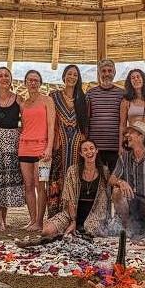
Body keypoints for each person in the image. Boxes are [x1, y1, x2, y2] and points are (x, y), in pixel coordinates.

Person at [42, 139, 114, 237]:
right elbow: (70, 199)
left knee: (89, 230)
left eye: (91, 148)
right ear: (80, 153)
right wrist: (73, 221)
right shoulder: (72, 171)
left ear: (97, 150)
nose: (89, 152)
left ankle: (77, 232)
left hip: (96, 215)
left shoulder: (104, 172)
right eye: (85, 150)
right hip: (72, 214)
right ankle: (71, 230)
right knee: (47, 231)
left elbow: (107, 201)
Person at [0, 66, 25, 231]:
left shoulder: (19, 99)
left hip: (13, 140)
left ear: (11, 79)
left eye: (6, 75)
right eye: (0, 75)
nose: (3, 78)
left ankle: (5, 219)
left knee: (8, 179)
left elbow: (26, 120)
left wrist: (20, 132)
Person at [48, 64, 88, 216]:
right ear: (64, 76)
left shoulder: (83, 99)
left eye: (75, 75)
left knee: (75, 177)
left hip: (77, 147)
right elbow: (50, 121)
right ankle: (56, 214)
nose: (72, 77)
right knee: (56, 178)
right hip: (59, 146)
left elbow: (85, 125)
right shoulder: (53, 96)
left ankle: (73, 215)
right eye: (69, 74)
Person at [18, 70, 55, 232]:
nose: (33, 83)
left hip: (42, 148)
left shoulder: (47, 100)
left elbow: (51, 126)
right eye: (30, 80)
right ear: (25, 83)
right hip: (24, 147)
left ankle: (40, 221)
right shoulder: (23, 104)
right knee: (28, 185)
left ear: (40, 83)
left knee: (41, 185)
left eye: (36, 80)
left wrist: (49, 148)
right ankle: (32, 219)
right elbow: (25, 126)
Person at [85, 59, 125, 172]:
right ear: (99, 73)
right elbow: (87, 119)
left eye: (110, 71)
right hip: (95, 148)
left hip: (115, 147)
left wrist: (122, 146)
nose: (106, 74)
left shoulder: (122, 94)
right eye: (103, 71)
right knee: (98, 180)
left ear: (114, 73)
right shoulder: (90, 93)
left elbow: (124, 121)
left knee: (114, 180)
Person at [119, 68, 145, 152]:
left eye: (138, 76)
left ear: (143, 79)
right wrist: (121, 146)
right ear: (130, 82)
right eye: (133, 78)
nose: (136, 79)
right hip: (132, 139)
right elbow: (122, 125)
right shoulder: (126, 101)